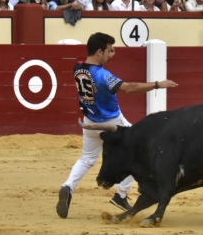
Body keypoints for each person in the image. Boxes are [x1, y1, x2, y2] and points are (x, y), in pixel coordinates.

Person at [56, 32, 178, 219]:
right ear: (98, 52)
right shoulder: (103, 75)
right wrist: (157, 84)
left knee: (87, 159)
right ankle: (121, 195)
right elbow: (128, 88)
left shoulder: (77, 67)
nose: (110, 54)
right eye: (108, 51)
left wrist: (108, 55)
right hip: (112, 123)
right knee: (136, 153)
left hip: (89, 122)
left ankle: (67, 186)